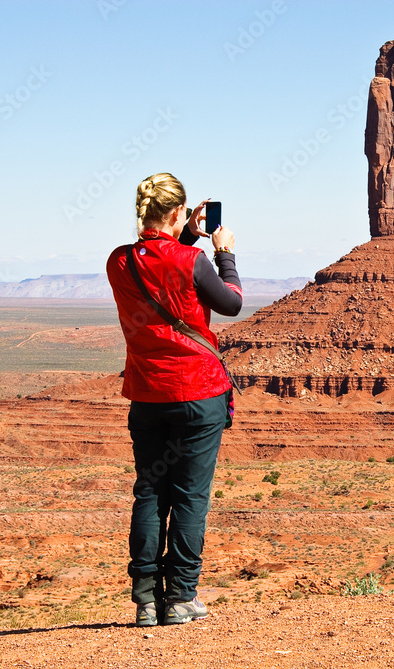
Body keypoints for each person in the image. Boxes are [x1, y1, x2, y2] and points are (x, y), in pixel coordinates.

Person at [106, 172, 242, 627]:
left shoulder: (118, 261)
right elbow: (231, 303)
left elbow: (155, 264)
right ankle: (181, 596)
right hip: (197, 395)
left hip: (147, 396)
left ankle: (146, 601)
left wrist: (182, 232)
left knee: (150, 491)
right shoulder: (195, 260)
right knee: (188, 497)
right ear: (179, 212)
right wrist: (225, 253)